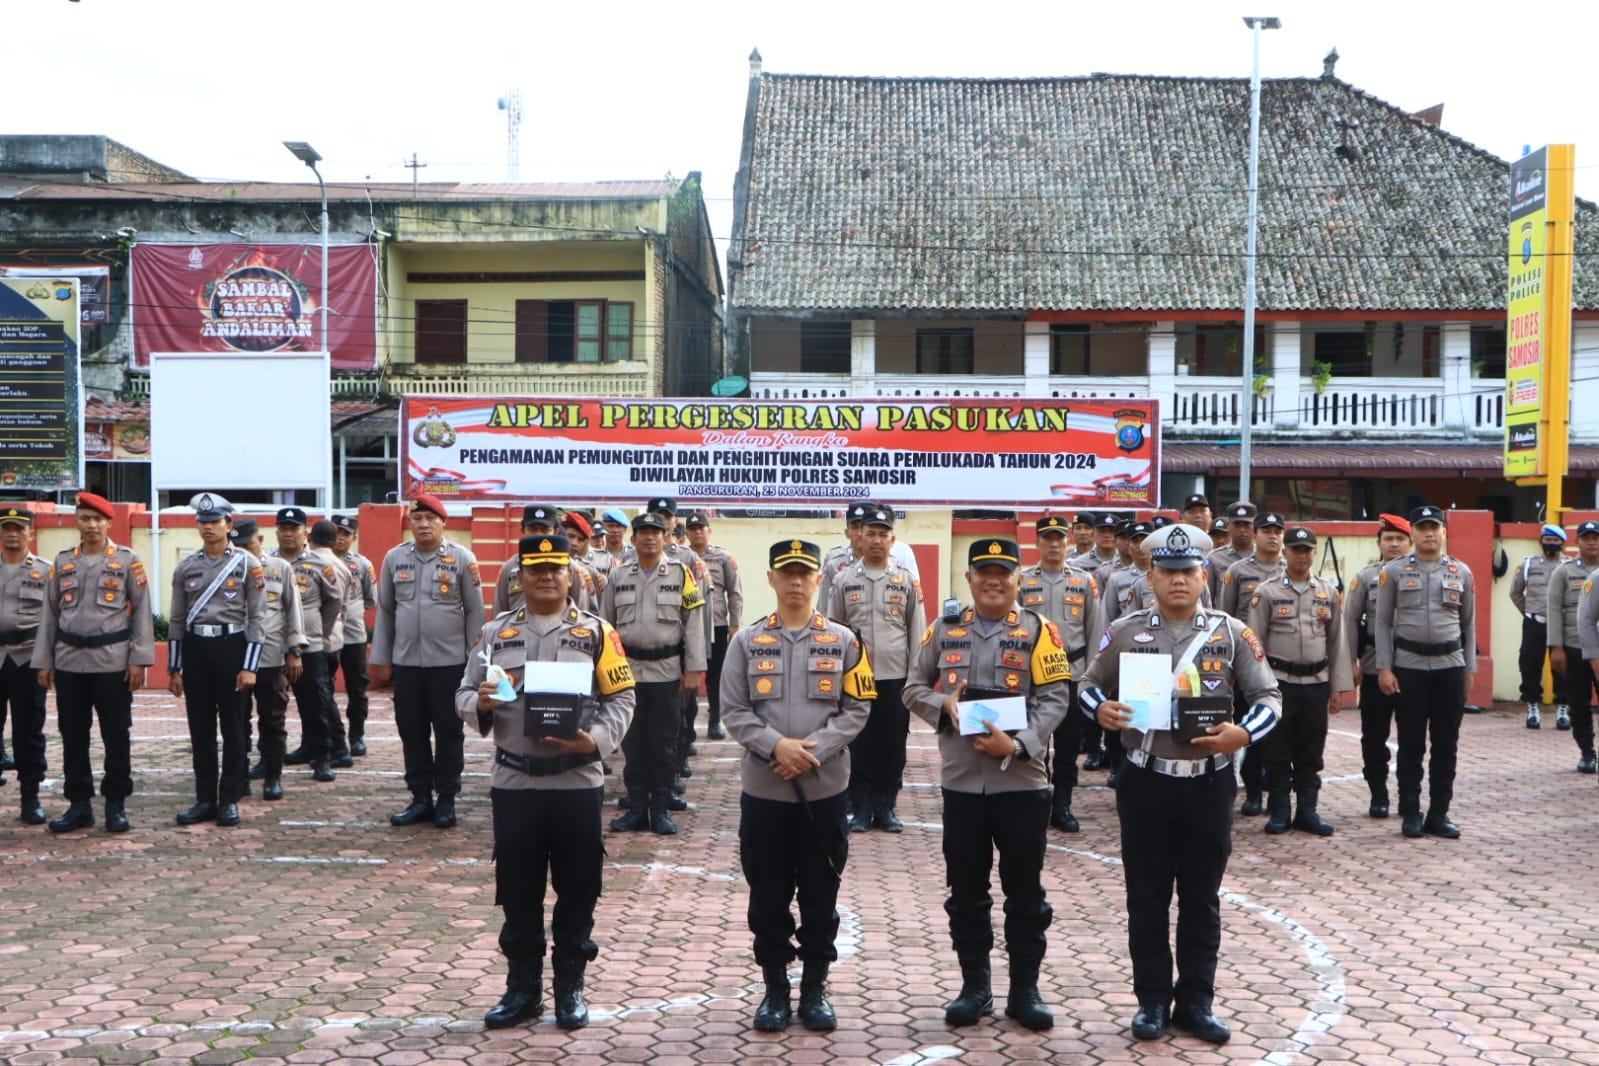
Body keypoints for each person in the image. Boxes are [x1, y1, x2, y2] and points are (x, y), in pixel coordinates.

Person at [1079, 522, 1281, 1045]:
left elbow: (1269, 698)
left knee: (1201, 897)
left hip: (1208, 785)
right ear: (1151, 576)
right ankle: (1151, 1001)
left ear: (1203, 576)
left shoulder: (1231, 633)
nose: (1177, 580)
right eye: (1167, 571)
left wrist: (1242, 734)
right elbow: (1087, 684)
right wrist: (1100, 710)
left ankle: (1196, 1002)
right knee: (1146, 897)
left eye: (1187, 571)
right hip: (1146, 781)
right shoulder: (1126, 631)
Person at [459, 533, 636, 1032]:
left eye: (555, 568)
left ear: (570, 575)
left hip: (576, 781)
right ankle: (522, 990)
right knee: (518, 890)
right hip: (515, 782)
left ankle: (570, 987)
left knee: (578, 887)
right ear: (520, 577)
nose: (546, 577)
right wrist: (481, 704)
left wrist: (594, 741)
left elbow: (623, 697)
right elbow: (464, 692)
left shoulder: (596, 633)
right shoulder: (495, 633)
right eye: (535, 569)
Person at [901, 538, 1072, 1032]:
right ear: (970, 578)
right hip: (962, 784)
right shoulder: (944, 629)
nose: (993, 580)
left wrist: (1016, 745)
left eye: (1003, 572)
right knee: (966, 892)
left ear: (1019, 578)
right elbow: (912, 687)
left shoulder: (1040, 631)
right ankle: (974, 989)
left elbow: (1055, 698)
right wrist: (944, 706)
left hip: (1020, 783)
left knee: (1025, 893)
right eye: (984, 572)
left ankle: (1024, 992)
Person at [722, 538, 874, 1032]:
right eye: (785, 572)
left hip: (824, 790)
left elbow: (857, 709)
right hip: (765, 791)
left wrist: (812, 751)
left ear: (818, 580)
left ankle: (814, 988)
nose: (795, 581)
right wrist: (776, 746)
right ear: (770, 578)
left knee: (819, 896)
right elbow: (734, 711)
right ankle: (774, 989)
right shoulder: (746, 642)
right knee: (767, 896)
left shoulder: (845, 642)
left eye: (804, 573)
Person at [34, 492, 155, 834]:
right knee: (73, 735)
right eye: (85, 518)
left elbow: (142, 610)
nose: (91, 525)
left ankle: (115, 803)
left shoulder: (127, 560)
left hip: (112, 662)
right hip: (69, 662)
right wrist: (44, 660)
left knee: (116, 735)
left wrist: (139, 659)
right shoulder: (62, 562)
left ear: (108, 523)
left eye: (97, 519)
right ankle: (79, 805)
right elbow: (50, 614)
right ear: (76, 521)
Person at [371, 493, 485, 829]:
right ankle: (420, 797)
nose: (423, 524)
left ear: (443, 523)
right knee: (412, 731)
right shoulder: (394, 558)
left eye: (430, 519)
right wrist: (382, 658)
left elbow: (475, 612)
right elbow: (386, 611)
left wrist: (474, 663)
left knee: (449, 731)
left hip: (449, 664)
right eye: (417, 519)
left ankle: (447, 798)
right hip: (407, 663)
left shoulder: (462, 559)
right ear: (411, 523)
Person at [599, 511, 707, 834]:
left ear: (665, 537)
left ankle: (659, 809)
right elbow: (606, 626)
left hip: (667, 672)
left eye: (655, 532)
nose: (649, 537)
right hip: (627, 673)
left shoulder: (681, 574)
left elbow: (694, 624)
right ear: (633, 539)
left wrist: (694, 669)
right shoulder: (618, 576)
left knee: (663, 743)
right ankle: (636, 807)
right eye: (643, 532)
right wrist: (604, 671)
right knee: (633, 743)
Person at [1373, 505, 1476, 839]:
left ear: (1443, 532)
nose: (1429, 534)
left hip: (1450, 667)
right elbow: (1382, 622)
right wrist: (1384, 667)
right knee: (1411, 745)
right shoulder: (1394, 571)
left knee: (1446, 745)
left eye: (1434, 527)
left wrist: (1469, 668)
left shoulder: (1462, 571)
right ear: (1413, 533)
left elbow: (1469, 624)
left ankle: (1439, 813)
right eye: (1422, 528)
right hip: (1410, 667)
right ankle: (1411, 812)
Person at [1244, 526, 1352, 836]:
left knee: (1311, 751)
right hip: (1279, 683)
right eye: (1296, 549)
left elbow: (1338, 641)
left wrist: (1338, 688)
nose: (1302, 555)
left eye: (1307, 550)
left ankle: (1307, 811)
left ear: (1314, 553)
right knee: (1277, 750)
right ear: (1285, 552)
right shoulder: (1267, 592)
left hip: (1316, 683)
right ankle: (1280, 811)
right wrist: (1257, 689)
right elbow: (1254, 643)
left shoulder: (1328, 592)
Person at [167, 493, 267, 827]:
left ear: (228, 525)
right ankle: (205, 798)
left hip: (232, 647)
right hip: (197, 649)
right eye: (203, 522)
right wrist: (175, 667)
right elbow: (177, 619)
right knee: (200, 729)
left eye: (214, 522)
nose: (208, 528)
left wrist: (250, 666)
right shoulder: (186, 566)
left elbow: (257, 618)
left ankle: (229, 799)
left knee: (234, 729)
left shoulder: (246, 563)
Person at [825, 504, 926, 833]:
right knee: (859, 742)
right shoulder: (843, 579)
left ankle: (886, 805)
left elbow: (916, 627)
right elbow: (833, 629)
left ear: (892, 539)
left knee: (893, 742)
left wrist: (916, 676)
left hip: (895, 675)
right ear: (860, 537)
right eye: (871, 534)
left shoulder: (905, 579)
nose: (877, 540)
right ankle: (862, 806)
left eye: (884, 534)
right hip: (856, 677)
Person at [1017, 514, 1102, 831]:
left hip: (1072, 674)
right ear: (1037, 542)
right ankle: (1036, 801)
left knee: (1068, 746)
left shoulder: (1084, 581)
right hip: (1032, 679)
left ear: (1068, 541)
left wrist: (1092, 676)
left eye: (1059, 538)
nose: (1054, 544)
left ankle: (1062, 805)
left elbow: (1095, 630)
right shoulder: (1024, 581)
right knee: (1033, 742)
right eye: (1047, 538)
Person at [1343, 513, 1412, 816]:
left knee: (1411, 737)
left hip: (1412, 666)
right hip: (1373, 666)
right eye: (1388, 539)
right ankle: (1378, 795)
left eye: (1400, 539)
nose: (1394, 544)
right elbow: (1349, 620)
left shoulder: (1419, 575)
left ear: (1410, 542)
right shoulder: (1365, 577)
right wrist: (1351, 662)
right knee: (1373, 736)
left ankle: (1408, 797)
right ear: (1379, 543)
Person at [1217, 510, 1285, 816]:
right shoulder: (1238, 571)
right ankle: (1253, 792)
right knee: (1249, 725)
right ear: (1256, 536)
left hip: (1283, 663)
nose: (1272, 536)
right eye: (1266, 531)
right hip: (1246, 664)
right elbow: (1225, 617)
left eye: (1277, 531)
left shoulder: (1290, 568)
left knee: (1280, 733)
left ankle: (1277, 792)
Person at [235, 518, 306, 801]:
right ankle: (239, 776)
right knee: (237, 720)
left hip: (271, 656)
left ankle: (273, 775)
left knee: (273, 719)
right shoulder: (228, 568)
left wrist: (295, 650)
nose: (244, 550)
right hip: (237, 658)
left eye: (248, 544)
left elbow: (293, 611)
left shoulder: (280, 568)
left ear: (261, 540)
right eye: (238, 546)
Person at [272, 508, 344, 782]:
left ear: (306, 533)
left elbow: (334, 601)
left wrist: (318, 633)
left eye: (294, 528)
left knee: (315, 702)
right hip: (273, 645)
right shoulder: (267, 562)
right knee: (270, 704)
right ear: (277, 532)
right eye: (283, 528)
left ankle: (322, 757)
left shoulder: (320, 564)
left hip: (309, 647)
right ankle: (271, 757)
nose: (288, 534)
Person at [0, 506, 51, 824]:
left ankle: (30, 796)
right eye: (6, 528)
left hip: (27, 657)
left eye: (18, 528)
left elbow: (55, 619)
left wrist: (49, 661)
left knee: (28, 729)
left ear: (31, 533)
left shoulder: (46, 571)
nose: (12, 534)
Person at [684, 511, 742, 741]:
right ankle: (687, 727)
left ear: (710, 531)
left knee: (716, 675)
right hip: (688, 625)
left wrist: (734, 624)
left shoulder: (724, 557)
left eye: (701, 528)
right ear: (687, 533)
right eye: (692, 529)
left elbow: (734, 592)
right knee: (688, 674)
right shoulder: (681, 557)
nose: (697, 532)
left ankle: (715, 719)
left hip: (716, 624)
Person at [1550, 521, 1599, 772]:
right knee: (1579, 703)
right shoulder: (1564, 571)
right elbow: (1554, 609)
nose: (1592, 542)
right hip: (1573, 647)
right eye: (1586, 537)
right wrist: (1556, 647)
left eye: (1596, 537)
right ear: (1577, 541)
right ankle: (1587, 752)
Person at [1511, 525, 1569, 728]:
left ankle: (1563, 710)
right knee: (1529, 665)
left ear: (1562, 543)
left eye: (1555, 540)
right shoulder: (1529, 564)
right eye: (1548, 540)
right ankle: (1532, 709)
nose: (1551, 543)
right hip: (1534, 624)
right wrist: (1529, 614)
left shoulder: (1569, 566)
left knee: (1563, 667)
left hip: (1561, 625)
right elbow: (1515, 592)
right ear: (1541, 541)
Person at [331, 514, 377, 756]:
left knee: (357, 688)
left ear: (354, 537)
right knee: (323, 687)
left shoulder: (362, 565)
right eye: (337, 532)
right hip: (326, 636)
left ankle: (357, 735)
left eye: (346, 534)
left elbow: (371, 599)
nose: (340, 538)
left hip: (353, 636)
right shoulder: (317, 561)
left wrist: (351, 612)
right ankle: (329, 736)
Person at [496, 504, 595, 614]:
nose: (539, 535)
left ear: (555, 531)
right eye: (532, 529)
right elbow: (500, 613)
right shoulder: (508, 568)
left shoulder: (572, 568)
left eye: (545, 529)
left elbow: (581, 613)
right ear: (522, 530)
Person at [1207, 502, 1258, 605]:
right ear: (1229, 526)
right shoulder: (1214, 558)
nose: (1242, 530)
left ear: (1255, 526)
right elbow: (1207, 599)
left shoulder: (1264, 556)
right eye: (1237, 525)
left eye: (1246, 524)